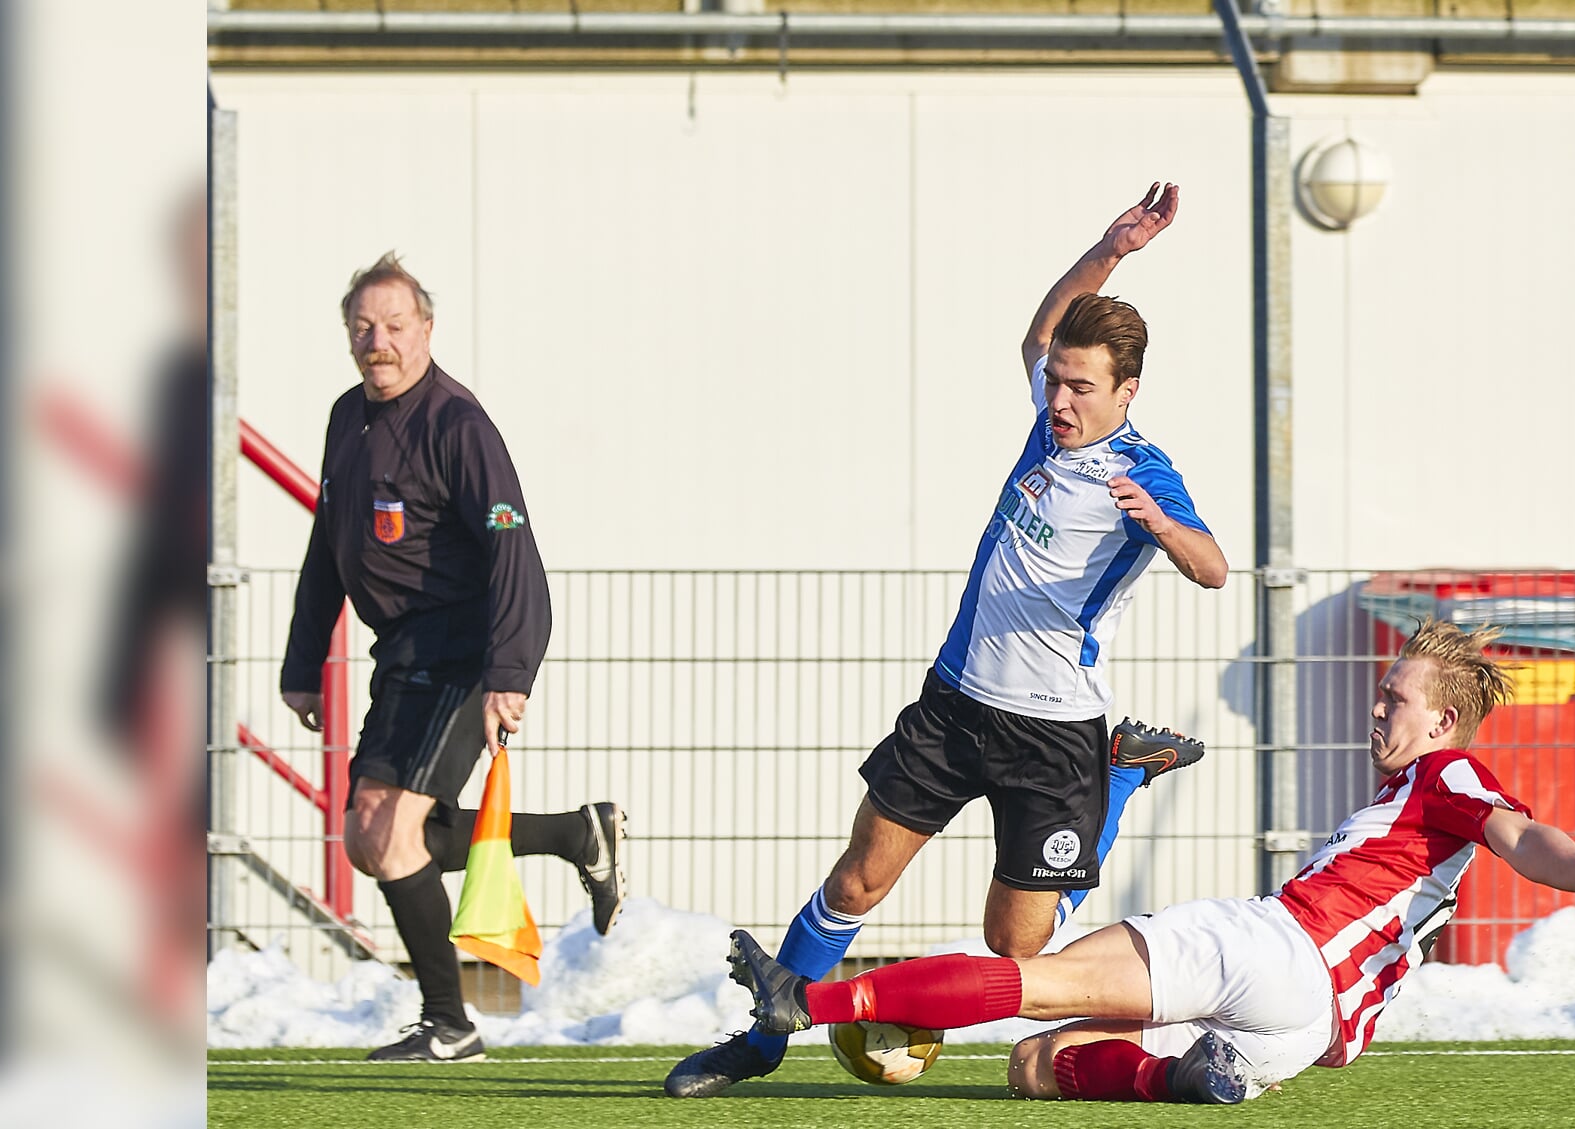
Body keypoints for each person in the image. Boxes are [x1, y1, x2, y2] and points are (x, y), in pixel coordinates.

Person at [666, 183, 1227, 1097]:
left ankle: (1117, 776)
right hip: (956, 704)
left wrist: (1163, 526)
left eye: (1081, 386)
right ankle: (763, 1037)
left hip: (1053, 735)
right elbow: (1043, 326)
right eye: (1055, 381)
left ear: (1127, 390)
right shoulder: (1047, 433)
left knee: (1017, 945)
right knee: (856, 883)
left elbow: (1215, 569)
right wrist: (1110, 247)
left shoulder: (1144, 470)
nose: (1060, 397)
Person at [725, 619, 1575, 1105]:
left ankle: (803, 1002)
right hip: (1302, 1036)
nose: (1378, 709)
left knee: (1031, 976)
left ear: (1442, 720)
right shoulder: (1416, 806)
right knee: (1031, 1068)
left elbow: (1526, 838)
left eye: (1394, 698)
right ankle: (1179, 1080)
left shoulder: (1451, 774)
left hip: (1272, 949)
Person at [280, 252, 626, 1062]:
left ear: (426, 328)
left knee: (392, 833)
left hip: (465, 649)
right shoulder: (347, 419)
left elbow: (516, 553)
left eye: (395, 325)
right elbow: (326, 548)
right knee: (371, 840)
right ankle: (582, 834)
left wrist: (510, 670)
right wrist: (302, 661)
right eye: (363, 327)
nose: (379, 342)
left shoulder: (457, 426)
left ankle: (449, 1022)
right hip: (401, 654)